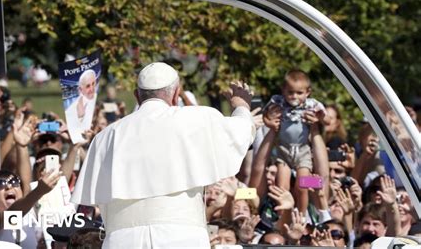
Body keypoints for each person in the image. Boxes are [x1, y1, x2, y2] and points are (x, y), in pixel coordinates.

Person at [71, 62, 255, 248]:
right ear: (176, 95)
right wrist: (241, 106)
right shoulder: (197, 119)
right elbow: (243, 133)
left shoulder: (106, 136)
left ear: (137, 96)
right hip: (180, 238)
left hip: (123, 240)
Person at [262, 69, 328, 213]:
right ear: (283, 90)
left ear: (307, 92)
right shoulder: (278, 102)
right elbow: (265, 115)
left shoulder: (311, 105)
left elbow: (326, 119)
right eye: (290, 92)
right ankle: (282, 213)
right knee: (282, 185)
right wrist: (270, 123)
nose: (294, 97)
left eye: (299, 93)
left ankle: (302, 213)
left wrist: (320, 119)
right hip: (284, 149)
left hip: (302, 150)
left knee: (303, 184)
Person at [65, 69, 97, 144]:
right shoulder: (72, 107)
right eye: (88, 86)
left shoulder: (96, 101)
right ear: (80, 89)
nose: (92, 89)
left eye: (93, 84)